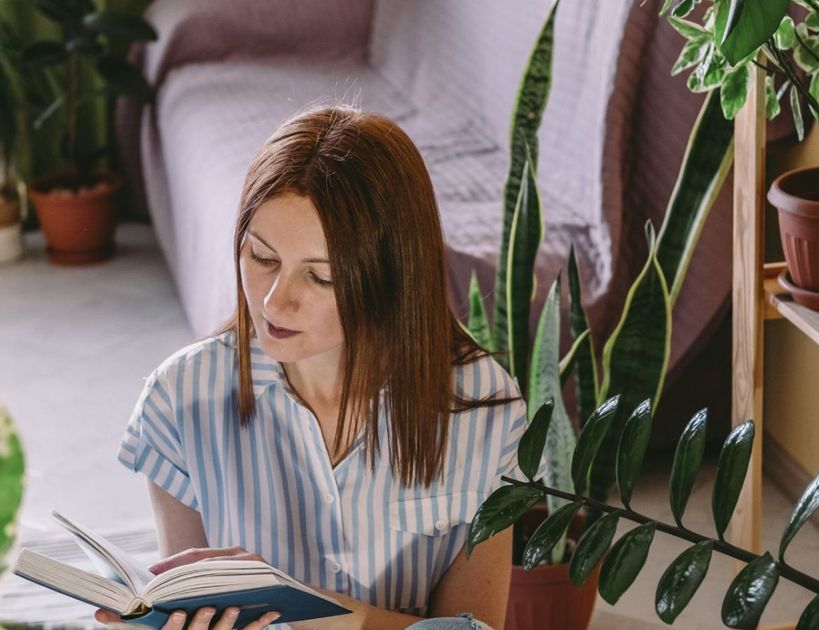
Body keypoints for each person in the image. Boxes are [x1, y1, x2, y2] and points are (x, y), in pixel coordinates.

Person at [97, 106, 545, 630]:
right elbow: (186, 605)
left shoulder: (483, 406)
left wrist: (299, 604)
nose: (274, 301)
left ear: (392, 276)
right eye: (262, 258)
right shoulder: (179, 397)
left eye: (321, 277)